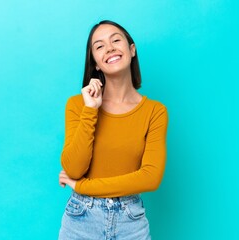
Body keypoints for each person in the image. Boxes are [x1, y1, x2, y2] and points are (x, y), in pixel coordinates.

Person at [58, 20, 168, 240]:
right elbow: (73, 168)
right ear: (96, 63)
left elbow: (150, 178)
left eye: (116, 40)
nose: (109, 48)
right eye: (99, 46)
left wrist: (84, 186)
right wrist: (91, 110)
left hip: (131, 223)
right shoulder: (77, 105)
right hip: (81, 220)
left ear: (131, 49)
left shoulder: (155, 111)